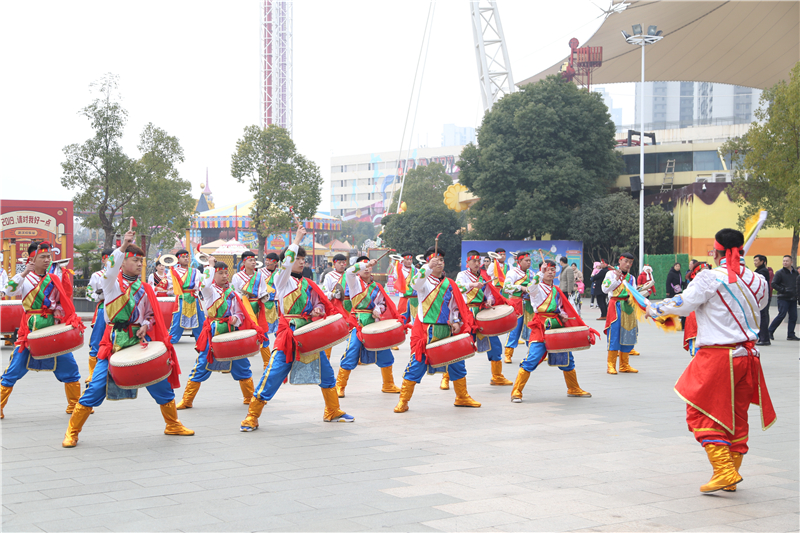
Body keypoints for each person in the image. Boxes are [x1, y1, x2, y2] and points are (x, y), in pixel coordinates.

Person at [647, 228, 775, 493]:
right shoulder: (758, 281)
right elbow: (761, 307)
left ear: (716, 251)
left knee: (698, 412)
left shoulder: (709, 278)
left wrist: (654, 308)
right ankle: (731, 473)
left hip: (719, 356)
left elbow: (683, 304)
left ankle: (724, 471)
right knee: (738, 415)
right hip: (749, 357)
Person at [62, 231, 192, 447]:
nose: (140, 264)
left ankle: (172, 424)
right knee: (95, 389)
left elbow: (151, 315)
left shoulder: (145, 288)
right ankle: (72, 432)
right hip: (115, 344)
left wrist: (145, 325)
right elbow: (111, 267)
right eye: (135, 260)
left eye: (141, 261)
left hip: (140, 343)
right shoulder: (111, 283)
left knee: (161, 385)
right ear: (123, 262)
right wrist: (122, 248)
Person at [240, 225, 354, 431]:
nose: (302, 262)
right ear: (289, 261)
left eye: (303, 259)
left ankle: (332, 410)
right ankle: (252, 416)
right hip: (289, 335)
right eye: (298, 258)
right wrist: (298, 239)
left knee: (327, 373)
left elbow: (320, 303)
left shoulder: (309, 283)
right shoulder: (280, 280)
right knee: (273, 375)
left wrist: (318, 310)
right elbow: (286, 263)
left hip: (310, 335)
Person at [1, 242, 84, 419]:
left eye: (49, 257)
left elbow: (64, 300)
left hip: (53, 329)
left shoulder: (54, 277)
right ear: (32, 259)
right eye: (43, 257)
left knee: (69, 365)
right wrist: (24, 272)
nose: (47, 260)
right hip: (31, 329)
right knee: (14, 368)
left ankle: (75, 405)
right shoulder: (25, 279)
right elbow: (8, 290)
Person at [394, 246, 481, 413]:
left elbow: (456, 306)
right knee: (416, 365)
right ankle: (403, 400)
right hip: (427, 333)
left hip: (447, 331)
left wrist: (455, 321)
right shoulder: (424, 282)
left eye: (441, 260)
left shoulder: (450, 284)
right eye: (435, 260)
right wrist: (427, 267)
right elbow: (414, 283)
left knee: (457, 364)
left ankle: (462, 397)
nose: (439, 263)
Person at [176, 257, 259, 410]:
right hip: (213, 332)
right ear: (213, 275)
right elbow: (205, 284)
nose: (225, 276)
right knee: (201, 364)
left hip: (231, 331)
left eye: (226, 273)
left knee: (242, 364)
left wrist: (236, 319)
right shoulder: (209, 291)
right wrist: (210, 266)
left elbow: (240, 314)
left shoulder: (233, 294)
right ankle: (187, 400)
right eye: (220, 273)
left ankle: (249, 397)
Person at [511, 260, 594, 401]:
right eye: (547, 269)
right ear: (542, 271)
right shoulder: (536, 287)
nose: (550, 272)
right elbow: (530, 289)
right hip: (540, 325)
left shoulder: (556, 289)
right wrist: (539, 273)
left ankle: (573, 388)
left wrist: (563, 314)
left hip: (556, 324)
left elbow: (561, 307)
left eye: (553, 269)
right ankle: (516, 391)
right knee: (532, 358)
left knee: (567, 358)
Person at [335, 256, 402, 397]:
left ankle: (388, 384)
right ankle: (340, 385)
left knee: (384, 352)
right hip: (358, 323)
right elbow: (349, 272)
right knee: (352, 350)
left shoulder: (377, 287)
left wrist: (379, 309)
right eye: (363, 266)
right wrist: (364, 264)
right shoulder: (354, 283)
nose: (366, 269)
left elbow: (384, 303)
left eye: (369, 266)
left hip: (375, 323)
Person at [455, 250, 512, 388]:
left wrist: (490, 301)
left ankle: (497, 376)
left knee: (495, 344)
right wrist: (472, 285)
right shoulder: (462, 275)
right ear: (467, 262)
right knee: (461, 346)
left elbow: (488, 293)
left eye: (478, 261)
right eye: (473, 261)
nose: (476, 263)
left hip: (482, 314)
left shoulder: (483, 277)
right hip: (467, 314)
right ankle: (447, 377)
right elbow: (458, 288)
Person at [231, 251, 274, 371]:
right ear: (244, 262)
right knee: (241, 335)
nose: (253, 262)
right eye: (251, 260)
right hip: (243, 309)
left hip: (257, 308)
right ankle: (237, 364)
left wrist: (265, 296)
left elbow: (263, 290)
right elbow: (235, 292)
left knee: (262, 334)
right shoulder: (237, 276)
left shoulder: (259, 275)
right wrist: (243, 296)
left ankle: (268, 364)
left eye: (254, 260)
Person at [601, 252, 639, 375]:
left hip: (628, 307)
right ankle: (611, 365)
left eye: (630, 262)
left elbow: (634, 292)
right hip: (615, 305)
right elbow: (605, 289)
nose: (628, 264)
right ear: (620, 261)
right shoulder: (610, 274)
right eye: (626, 261)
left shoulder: (632, 278)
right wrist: (617, 279)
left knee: (628, 334)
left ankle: (624, 364)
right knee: (615, 334)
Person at [85, 248, 113, 383]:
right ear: (103, 259)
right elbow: (89, 293)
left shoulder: (122, 274)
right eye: (108, 258)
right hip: (103, 308)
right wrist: (99, 295)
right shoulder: (97, 275)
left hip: (120, 309)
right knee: (97, 340)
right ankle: (93, 373)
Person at [502, 252, 533, 364]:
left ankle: (532, 353)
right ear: (519, 262)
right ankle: (508, 354)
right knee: (514, 330)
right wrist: (521, 288)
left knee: (530, 329)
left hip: (529, 305)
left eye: (530, 260)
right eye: (526, 260)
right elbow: (506, 287)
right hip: (517, 304)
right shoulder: (513, 272)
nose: (529, 262)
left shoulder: (531, 273)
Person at [168, 250, 205, 343]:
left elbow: (201, 283)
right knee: (177, 319)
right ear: (178, 259)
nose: (186, 259)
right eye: (183, 257)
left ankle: (202, 338)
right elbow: (170, 287)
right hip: (181, 298)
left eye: (187, 257)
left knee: (200, 319)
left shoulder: (195, 271)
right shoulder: (173, 272)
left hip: (194, 297)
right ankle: (172, 339)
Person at [768, 255, 799, 341]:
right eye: (784, 261)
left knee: (793, 316)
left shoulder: (795, 273)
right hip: (783, 298)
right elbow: (773, 284)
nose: (785, 262)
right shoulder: (779, 272)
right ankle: (770, 331)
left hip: (793, 298)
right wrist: (783, 290)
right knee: (781, 315)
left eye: (787, 261)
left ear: (791, 262)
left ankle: (791, 334)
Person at [392, 253, 418, 327]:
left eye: (410, 259)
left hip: (415, 299)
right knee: (401, 320)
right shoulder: (399, 270)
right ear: (403, 260)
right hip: (404, 299)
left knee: (416, 322)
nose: (409, 261)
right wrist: (397, 262)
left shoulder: (416, 270)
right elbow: (396, 274)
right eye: (407, 259)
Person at [753, 255, 771, 346]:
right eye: (754, 260)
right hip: (761, 297)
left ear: (763, 261)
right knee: (762, 317)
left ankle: (764, 339)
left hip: (763, 297)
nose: (755, 262)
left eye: (756, 260)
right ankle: (762, 337)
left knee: (763, 317)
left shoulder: (762, 271)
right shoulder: (759, 270)